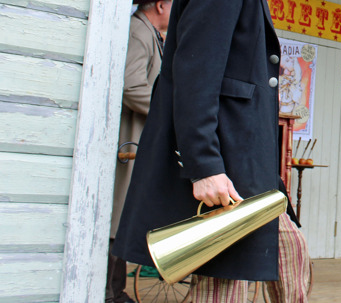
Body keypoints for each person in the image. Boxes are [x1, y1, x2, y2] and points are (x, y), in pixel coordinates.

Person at [111, 0, 311, 302]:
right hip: (225, 156)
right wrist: (204, 165)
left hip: (243, 156)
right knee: (223, 283)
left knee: (288, 249)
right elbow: (195, 75)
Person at [106, 0, 171, 302]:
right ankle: (111, 291)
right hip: (129, 138)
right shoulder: (138, 31)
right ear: (160, 5)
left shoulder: (152, 35)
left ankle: (114, 290)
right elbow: (131, 86)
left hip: (141, 139)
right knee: (118, 216)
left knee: (124, 217)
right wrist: (168, 110)